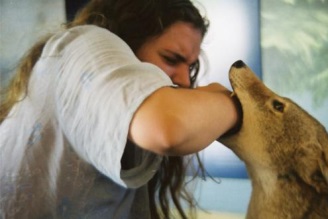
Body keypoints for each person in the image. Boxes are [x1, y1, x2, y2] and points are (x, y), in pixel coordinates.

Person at [0, 0, 240, 218]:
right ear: (126, 40)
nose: (186, 81)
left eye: (190, 67)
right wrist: (235, 103)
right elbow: (167, 126)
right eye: (171, 59)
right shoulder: (84, 43)